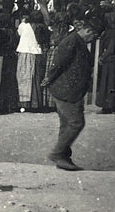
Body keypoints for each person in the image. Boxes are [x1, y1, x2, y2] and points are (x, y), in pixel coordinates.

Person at [41, 16, 104, 171]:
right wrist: (49, 78)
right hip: (66, 90)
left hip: (69, 89)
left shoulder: (77, 41)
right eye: (94, 36)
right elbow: (59, 62)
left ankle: (63, 158)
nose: (93, 39)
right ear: (88, 30)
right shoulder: (72, 41)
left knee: (66, 124)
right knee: (76, 123)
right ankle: (57, 154)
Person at [16, 11, 47, 111]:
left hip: (24, 52)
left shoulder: (24, 26)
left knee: (23, 79)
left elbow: (19, 34)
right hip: (37, 53)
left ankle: (24, 104)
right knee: (35, 78)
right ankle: (35, 103)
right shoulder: (42, 27)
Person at [0, 12, 19, 113]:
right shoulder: (13, 31)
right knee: (11, 80)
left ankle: (1, 103)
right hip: (11, 56)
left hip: (1, 56)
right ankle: (11, 103)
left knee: (1, 80)